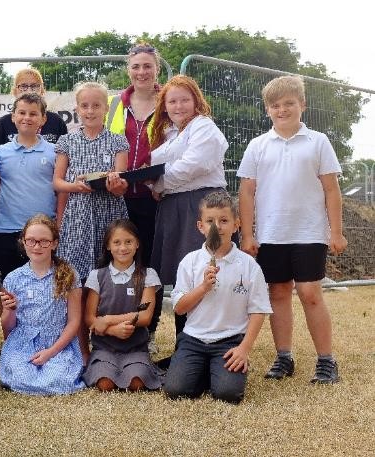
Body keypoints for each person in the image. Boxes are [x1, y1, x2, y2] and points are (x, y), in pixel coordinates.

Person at [237, 75, 346, 384]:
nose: (282, 110)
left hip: (310, 232)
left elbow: (331, 190)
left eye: (289, 104)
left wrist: (335, 232)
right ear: (267, 110)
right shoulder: (258, 145)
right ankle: (284, 356)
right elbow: (246, 191)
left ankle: (326, 360)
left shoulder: (318, 141)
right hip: (271, 234)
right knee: (278, 293)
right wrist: (248, 234)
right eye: (275, 105)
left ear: (303, 105)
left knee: (310, 292)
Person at [163, 191, 271, 404]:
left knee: (227, 394)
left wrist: (243, 349)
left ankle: (218, 371)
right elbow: (179, 308)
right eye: (210, 221)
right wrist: (203, 287)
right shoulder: (190, 261)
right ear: (200, 226)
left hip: (229, 341)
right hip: (193, 339)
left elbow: (258, 310)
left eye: (224, 221)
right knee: (176, 390)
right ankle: (200, 367)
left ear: (236, 224)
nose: (217, 227)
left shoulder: (249, 266)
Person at [52, 81, 129, 361]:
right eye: (85, 105)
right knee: (80, 287)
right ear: (77, 109)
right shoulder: (67, 141)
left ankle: (109, 349)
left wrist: (113, 182)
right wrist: (76, 186)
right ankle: (83, 352)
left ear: (106, 108)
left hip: (110, 217)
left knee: (110, 284)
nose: (90, 110)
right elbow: (58, 182)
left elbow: (122, 185)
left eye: (96, 105)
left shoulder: (118, 141)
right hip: (78, 220)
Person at [148, 74, 228, 337]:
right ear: (164, 105)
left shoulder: (203, 126)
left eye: (185, 100)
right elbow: (154, 167)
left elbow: (194, 165)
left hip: (201, 204)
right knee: (183, 276)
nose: (178, 106)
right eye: (172, 101)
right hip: (175, 208)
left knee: (202, 270)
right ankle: (184, 344)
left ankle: (209, 341)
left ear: (196, 101)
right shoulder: (169, 133)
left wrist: (158, 184)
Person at [106, 43, 163, 354]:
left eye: (147, 66)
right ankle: (114, 329)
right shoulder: (115, 104)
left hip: (156, 198)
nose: (141, 72)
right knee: (121, 262)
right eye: (136, 67)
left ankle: (148, 333)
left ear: (156, 69)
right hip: (119, 198)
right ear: (128, 70)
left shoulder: (169, 101)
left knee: (150, 267)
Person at [0, 214, 85, 395]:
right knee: (18, 377)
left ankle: (54, 369)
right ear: (23, 242)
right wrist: (10, 310)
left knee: (59, 380)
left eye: (44, 241)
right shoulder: (13, 278)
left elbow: (74, 321)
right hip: (22, 343)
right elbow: (7, 327)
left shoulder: (69, 275)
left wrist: (51, 352)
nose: (37, 246)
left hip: (57, 342)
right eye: (31, 241)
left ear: (54, 243)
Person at [83, 220, 163, 392]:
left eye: (128, 241)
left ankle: (137, 366)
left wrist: (109, 320)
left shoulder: (148, 275)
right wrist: (112, 330)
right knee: (105, 384)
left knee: (136, 382)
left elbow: (145, 316)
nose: (123, 247)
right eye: (116, 242)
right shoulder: (97, 276)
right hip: (104, 347)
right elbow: (89, 318)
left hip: (135, 348)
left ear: (137, 244)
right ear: (108, 246)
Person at [0, 93, 57, 278]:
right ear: (13, 116)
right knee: (8, 292)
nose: (27, 118)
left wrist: (58, 223)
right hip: (5, 231)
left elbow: (61, 191)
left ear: (43, 119)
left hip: (43, 234)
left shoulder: (55, 152)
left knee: (45, 287)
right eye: (22, 112)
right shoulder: (0, 153)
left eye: (33, 114)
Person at [0, 68, 68, 149]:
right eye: (23, 86)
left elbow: (65, 154)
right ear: (15, 91)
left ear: (42, 91)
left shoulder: (56, 121)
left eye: (34, 86)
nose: (29, 90)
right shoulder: (4, 123)